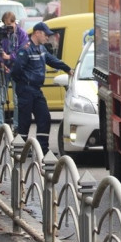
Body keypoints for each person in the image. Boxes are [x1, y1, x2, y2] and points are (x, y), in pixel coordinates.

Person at [10, 21, 73, 154]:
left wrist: (67, 69)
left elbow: (52, 60)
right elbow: (15, 71)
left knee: (44, 117)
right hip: (26, 90)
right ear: (37, 33)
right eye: (45, 35)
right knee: (24, 121)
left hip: (36, 90)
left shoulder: (42, 49)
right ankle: (20, 150)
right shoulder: (26, 49)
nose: (47, 38)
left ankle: (42, 150)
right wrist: (23, 84)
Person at [0, 11, 29, 129]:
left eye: (9, 26)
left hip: (17, 69)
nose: (7, 28)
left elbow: (22, 51)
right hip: (3, 69)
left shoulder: (22, 34)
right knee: (0, 99)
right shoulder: (2, 33)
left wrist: (10, 57)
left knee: (17, 99)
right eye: (5, 25)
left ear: (14, 22)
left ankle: (17, 126)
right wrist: (1, 62)